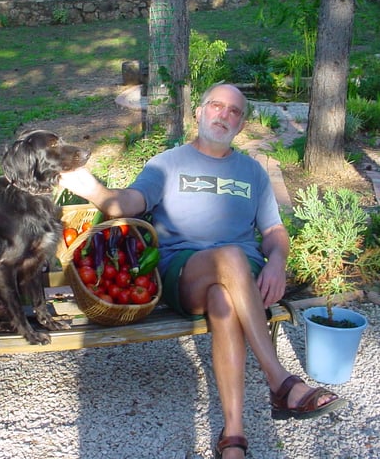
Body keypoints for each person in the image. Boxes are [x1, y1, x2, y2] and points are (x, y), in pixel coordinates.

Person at [59, 83, 346, 459]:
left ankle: (233, 437)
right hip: (185, 272)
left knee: (223, 299)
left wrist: (276, 262)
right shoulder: (167, 163)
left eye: (233, 112)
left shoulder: (253, 173)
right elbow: (132, 201)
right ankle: (279, 380)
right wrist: (98, 192)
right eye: (215, 106)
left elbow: (274, 231)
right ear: (198, 112)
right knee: (228, 258)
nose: (222, 115)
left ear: (241, 125)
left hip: (240, 279)